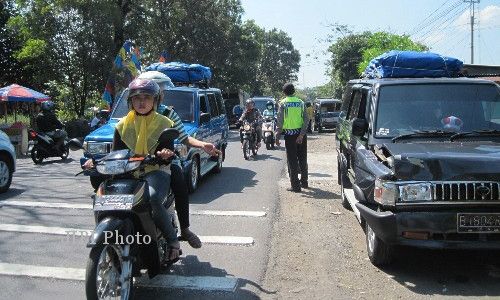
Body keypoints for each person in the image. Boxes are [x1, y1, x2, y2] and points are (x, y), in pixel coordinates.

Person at [86, 78, 181, 261]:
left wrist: (165, 153)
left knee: (152, 197)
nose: (142, 102)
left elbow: (169, 151)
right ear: (130, 102)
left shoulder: (165, 123)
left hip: (155, 170)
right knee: (100, 195)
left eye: (147, 97)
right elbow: (116, 153)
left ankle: (172, 240)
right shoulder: (122, 125)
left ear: (155, 101)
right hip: (128, 171)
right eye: (137, 98)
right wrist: (96, 161)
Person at [138, 71, 221, 249]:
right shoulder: (130, 116)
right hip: (136, 162)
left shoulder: (168, 114)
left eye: (151, 93)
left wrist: (202, 145)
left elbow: (184, 138)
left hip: (164, 163)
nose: (144, 99)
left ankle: (184, 229)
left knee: (179, 182)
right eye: (141, 95)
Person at [275, 83, 309, 192]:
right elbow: (306, 120)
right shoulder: (301, 103)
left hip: (290, 136)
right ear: (294, 91)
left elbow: (280, 121)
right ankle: (304, 182)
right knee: (303, 158)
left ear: (284, 92)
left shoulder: (283, 103)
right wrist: (301, 135)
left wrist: (277, 136)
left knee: (292, 160)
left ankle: (295, 186)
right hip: (301, 135)